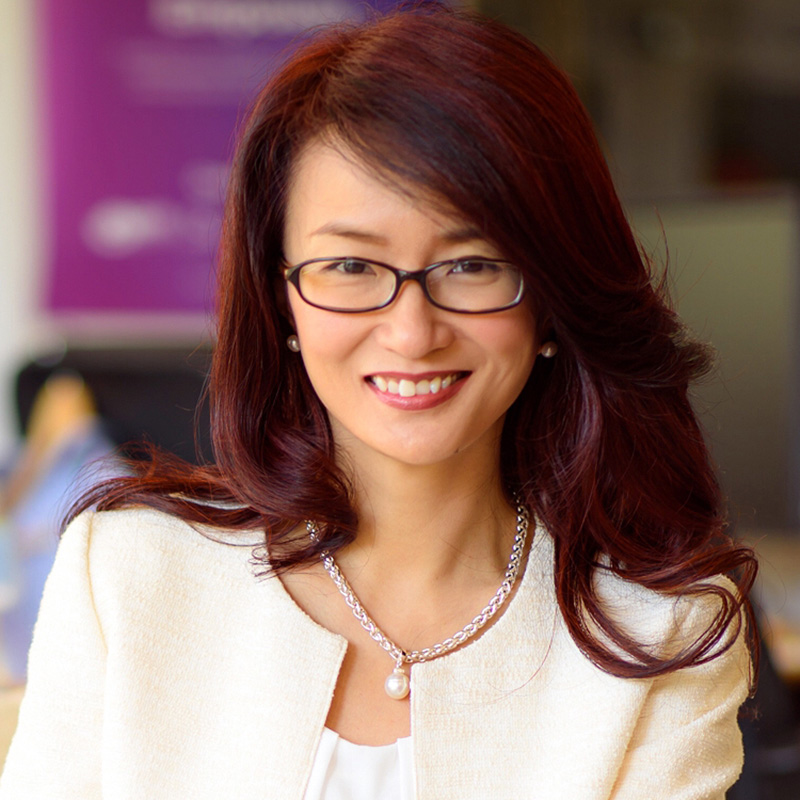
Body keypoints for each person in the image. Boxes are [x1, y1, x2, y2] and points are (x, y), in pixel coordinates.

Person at [0, 3, 756, 798]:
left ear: (550, 298)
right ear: (281, 299)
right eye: (351, 267)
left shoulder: (663, 636)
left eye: (471, 265)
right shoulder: (129, 574)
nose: (411, 333)